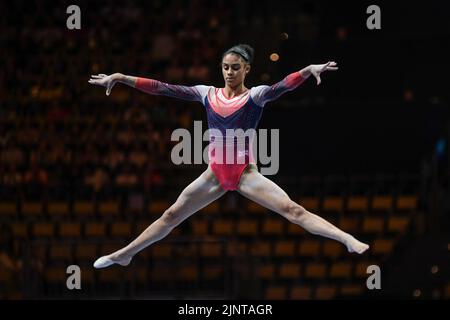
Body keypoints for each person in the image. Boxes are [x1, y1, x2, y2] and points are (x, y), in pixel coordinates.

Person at [88, 44, 369, 268]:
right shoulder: (206, 93)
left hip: (245, 174)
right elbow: (164, 88)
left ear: (246, 69)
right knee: (171, 214)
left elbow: (281, 87)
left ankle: (345, 238)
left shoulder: (255, 96)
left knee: (293, 211)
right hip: (214, 174)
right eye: (225, 67)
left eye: (236, 67)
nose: (229, 72)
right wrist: (123, 77)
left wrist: (307, 71)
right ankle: (125, 254)